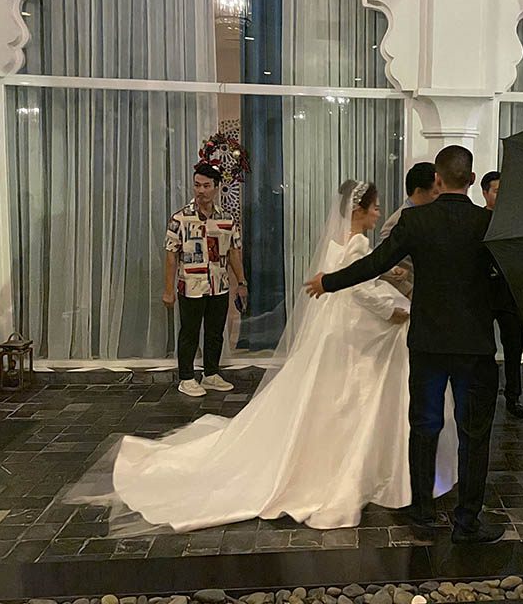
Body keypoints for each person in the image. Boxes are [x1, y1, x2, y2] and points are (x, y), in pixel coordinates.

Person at [92, 180, 457, 531]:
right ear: (359, 210)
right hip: (353, 326)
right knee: (364, 383)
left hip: (337, 323)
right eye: (375, 207)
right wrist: (394, 311)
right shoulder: (359, 242)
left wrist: (385, 274)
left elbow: (346, 275)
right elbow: (360, 289)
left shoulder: (338, 240)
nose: (378, 213)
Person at [307, 146, 504, 544]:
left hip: (428, 341)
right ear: (471, 180)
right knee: (474, 434)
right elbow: (505, 279)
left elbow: (375, 263)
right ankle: (467, 522)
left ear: (438, 179)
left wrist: (329, 281)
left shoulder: (416, 220)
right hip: (475, 344)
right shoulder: (489, 224)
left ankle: (423, 516)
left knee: (424, 427)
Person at [163, 162, 247, 397]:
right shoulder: (180, 219)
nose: (201, 191)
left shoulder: (227, 219)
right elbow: (171, 256)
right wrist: (168, 290)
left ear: (216, 187)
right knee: (189, 332)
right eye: (197, 185)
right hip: (191, 284)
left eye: (206, 186)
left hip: (219, 285)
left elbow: (234, 252)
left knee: (215, 331)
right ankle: (186, 377)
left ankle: (211, 374)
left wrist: (241, 282)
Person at [481, 171, 523, 419]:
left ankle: (513, 396)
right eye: (497, 191)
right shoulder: (478, 220)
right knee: (483, 347)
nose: (502, 196)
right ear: (485, 192)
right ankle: (484, 392)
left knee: (513, 347)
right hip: (484, 294)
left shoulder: (513, 220)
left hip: (510, 295)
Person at [379, 162, 440, 298]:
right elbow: (384, 265)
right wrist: (409, 291)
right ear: (419, 191)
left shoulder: (430, 216)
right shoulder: (397, 221)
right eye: (435, 193)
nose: (438, 198)